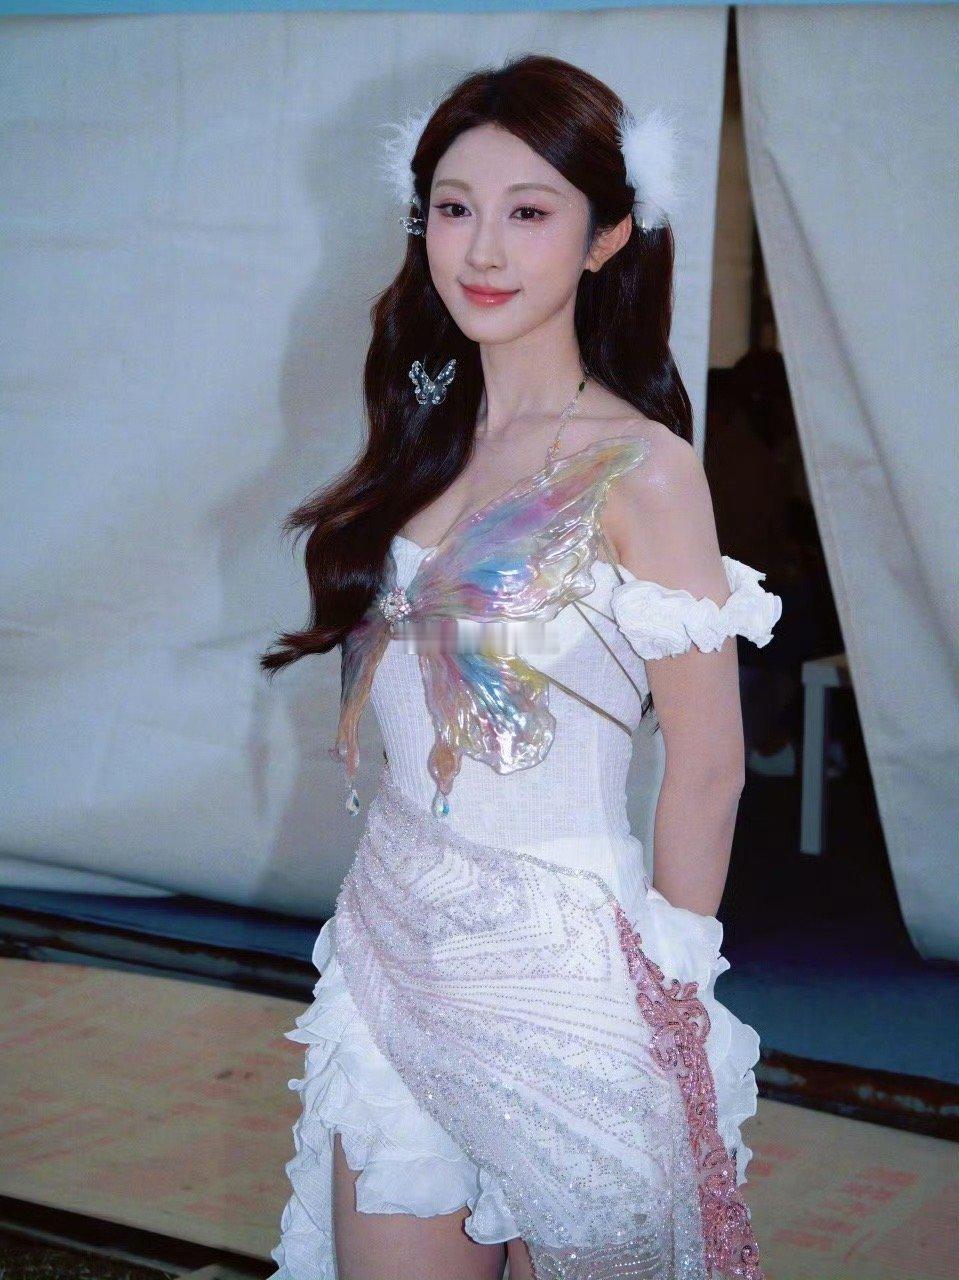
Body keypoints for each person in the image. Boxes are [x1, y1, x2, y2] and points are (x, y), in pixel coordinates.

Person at [260, 53, 781, 1280]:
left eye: (529, 211)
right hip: (392, 940)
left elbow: (709, 763)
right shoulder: (423, 433)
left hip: (567, 975)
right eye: (454, 207)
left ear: (607, 237)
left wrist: (676, 984)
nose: (482, 248)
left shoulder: (645, 466)